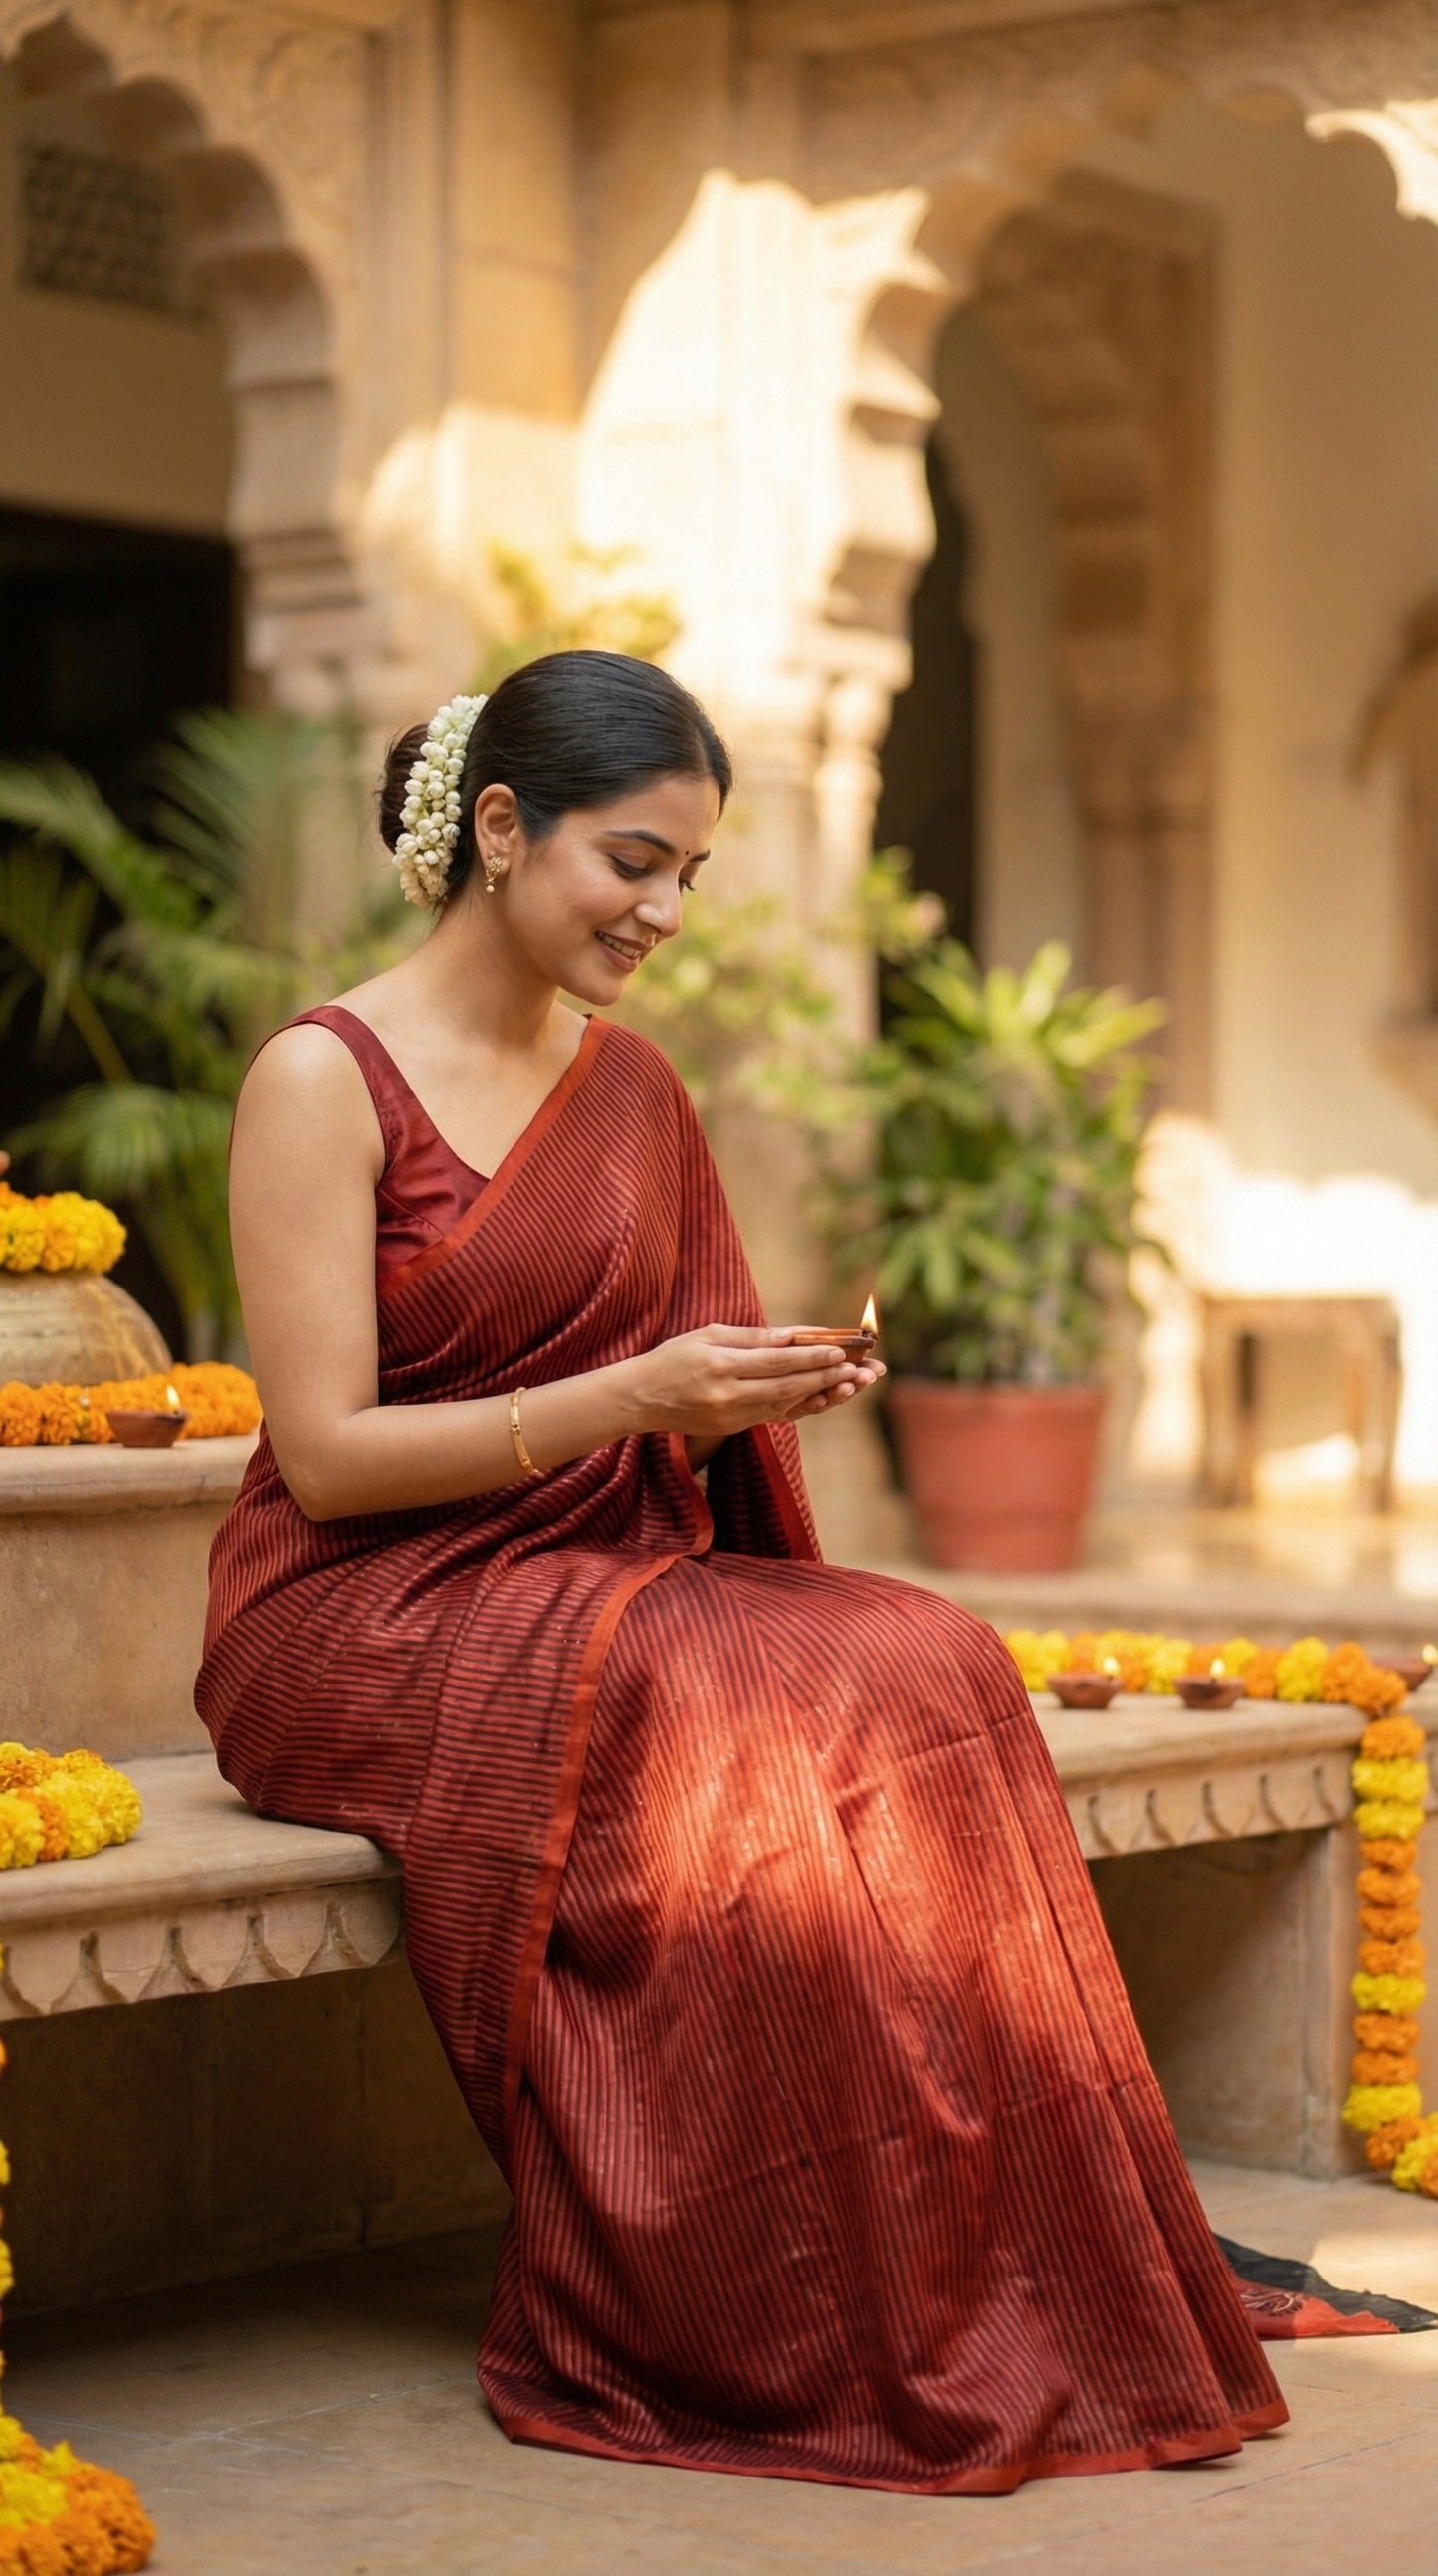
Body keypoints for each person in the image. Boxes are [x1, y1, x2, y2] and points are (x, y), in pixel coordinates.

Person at [200, 650, 1284, 2494]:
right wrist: (632, 1390)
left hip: (586, 1562)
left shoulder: (629, 1089)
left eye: (689, 872)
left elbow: (665, 1405)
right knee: (738, 1700)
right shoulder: (324, 1076)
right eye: (634, 861)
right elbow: (326, 1458)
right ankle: (764, 2290)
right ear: (495, 826)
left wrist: (744, 1395)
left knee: (922, 1653)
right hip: (354, 1609)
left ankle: (982, 2242)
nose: (666, 912)